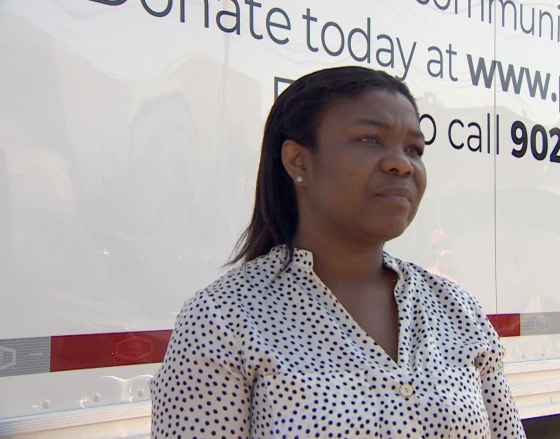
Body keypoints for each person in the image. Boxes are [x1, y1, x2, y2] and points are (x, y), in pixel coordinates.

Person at [150, 66, 526, 439]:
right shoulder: (223, 319)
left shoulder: (458, 310)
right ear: (299, 161)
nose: (402, 163)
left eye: (414, 148)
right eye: (370, 139)